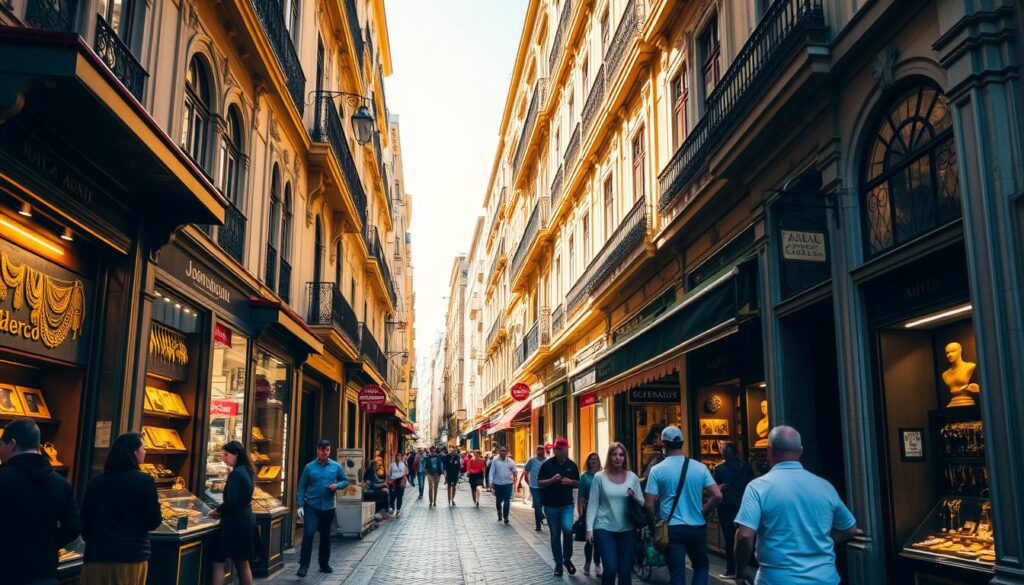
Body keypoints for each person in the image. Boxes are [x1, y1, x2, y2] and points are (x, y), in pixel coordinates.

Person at [733, 426, 858, 585]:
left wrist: (740, 572)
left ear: (770, 450)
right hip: (825, 578)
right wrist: (816, 537)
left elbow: (744, 535)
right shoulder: (824, 486)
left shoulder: (758, 487)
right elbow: (850, 529)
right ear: (800, 451)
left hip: (777, 579)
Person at [0, 419, 80, 585]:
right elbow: (73, 527)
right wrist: (48, 544)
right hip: (44, 573)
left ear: (12, 444)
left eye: (1, 444)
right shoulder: (61, 484)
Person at [80, 432, 162, 585]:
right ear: (134, 452)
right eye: (143, 448)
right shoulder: (144, 481)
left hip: (96, 557)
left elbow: (84, 523)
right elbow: (154, 521)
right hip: (131, 557)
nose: (145, 452)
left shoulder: (95, 483)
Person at [644, 426, 723, 585]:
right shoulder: (699, 467)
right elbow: (717, 495)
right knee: (701, 566)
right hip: (697, 527)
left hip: (672, 528)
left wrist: (654, 528)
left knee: (677, 572)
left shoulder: (657, 470)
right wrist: (703, 512)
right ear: (682, 443)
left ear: (663, 444)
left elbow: (649, 505)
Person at [587, 443, 644, 585]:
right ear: (609, 457)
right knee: (611, 568)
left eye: (621, 454)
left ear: (625, 457)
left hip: (628, 530)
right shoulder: (599, 477)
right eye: (615, 454)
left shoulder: (633, 477)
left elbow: (642, 502)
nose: (618, 458)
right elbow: (593, 503)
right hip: (604, 528)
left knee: (625, 572)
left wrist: (634, 497)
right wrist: (589, 529)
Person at [296, 439, 349, 577]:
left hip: (328, 507)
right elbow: (301, 486)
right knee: (308, 534)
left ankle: (324, 563)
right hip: (311, 507)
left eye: (327, 450)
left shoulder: (336, 467)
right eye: (322, 450)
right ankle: (303, 566)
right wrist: (300, 504)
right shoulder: (309, 467)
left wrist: (336, 486)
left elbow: (345, 481)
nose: (324, 452)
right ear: (318, 450)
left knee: (325, 536)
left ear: (329, 450)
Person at [210, 441, 257, 585]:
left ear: (236, 454)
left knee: (218, 561)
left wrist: (217, 510)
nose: (224, 458)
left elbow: (231, 501)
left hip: (234, 522)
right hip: (246, 519)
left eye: (226, 454)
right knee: (243, 563)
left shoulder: (236, 474)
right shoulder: (246, 471)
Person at [537, 437, 581, 577]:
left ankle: (567, 559)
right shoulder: (547, 465)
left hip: (567, 506)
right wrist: (551, 480)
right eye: (561, 450)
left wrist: (571, 482)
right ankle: (558, 563)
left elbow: (578, 483)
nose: (564, 452)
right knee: (555, 535)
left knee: (568, 530)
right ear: (555, 451)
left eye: (565, 450)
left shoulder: (572, 465)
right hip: (550, 507)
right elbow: (539, 483)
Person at [712, 441, 753, 579]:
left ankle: (731, 570)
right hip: (744, 505)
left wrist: (718, 488)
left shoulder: (720, 469)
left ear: (726, 452)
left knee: (730, 539)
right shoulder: (746, 467)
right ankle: (744, 565)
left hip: (727, 507)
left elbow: (712, 488)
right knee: (744, 535)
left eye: (722, 449)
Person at [578, 452, 603, 577]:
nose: (594, 461)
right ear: (588, 461)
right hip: (588, 509)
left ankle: (597, 563)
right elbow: (581, 496)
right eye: (591, 459)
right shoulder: (584, 476)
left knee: (598, 538)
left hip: (601, 510)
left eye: (596, 459)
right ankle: (588, 562)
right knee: (589, 539)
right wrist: (581, 514)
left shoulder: (603, 475)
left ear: (599, 461)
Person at [488, 445, 517, 523]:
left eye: (504, 451)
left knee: (507, 500)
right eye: (501, 451)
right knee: (498, 500)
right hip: (498, 483)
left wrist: (515, 473)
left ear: (507, 452)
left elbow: (514, 470)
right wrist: (490, 482)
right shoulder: (495, 461)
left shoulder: (511, 461)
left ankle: (506, 517)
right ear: (499, 452)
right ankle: (499, 513)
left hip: (508, 483)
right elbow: (492, 472)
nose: (503, 452)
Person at [523, 444, 547, 531]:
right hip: (534, 487)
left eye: (542, 450)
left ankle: (541, 518)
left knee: (543, 505)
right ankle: (538, 524)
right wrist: (528, 483)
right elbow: (526, 471)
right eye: (539, 450)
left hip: (545, 486)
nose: (540, 451)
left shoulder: (547, 461)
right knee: (537, 505)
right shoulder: (532, 460)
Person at [388, 452, 409, 516]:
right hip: (393, 482)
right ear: (395, 457)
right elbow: (389, 473)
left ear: (401, 457)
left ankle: (398, 510)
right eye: (397, 456)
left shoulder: (403, 464)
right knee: (392, 496)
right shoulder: (392, 465)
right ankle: (392, 509)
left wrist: (405, 464)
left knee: (399, 496)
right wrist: (389, 481)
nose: (398, 458)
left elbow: (407, 472)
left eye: (399, 456)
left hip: (401, 482)